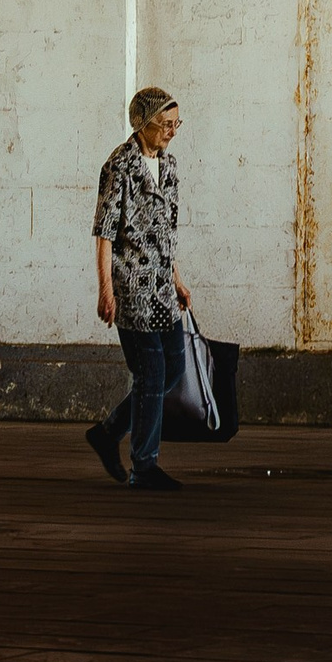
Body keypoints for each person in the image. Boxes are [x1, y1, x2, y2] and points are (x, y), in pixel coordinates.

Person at [87, 85, 193, 489]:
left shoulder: (169, 167)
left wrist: (178, 281)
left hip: (163, 288)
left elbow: (165, 233)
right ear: (142, 123)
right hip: (131, 288)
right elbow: (104, 233)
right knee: (151, 372)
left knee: (173, 369)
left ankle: (108, 432)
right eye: (165, 124)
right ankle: (144, 466)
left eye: (175, 123)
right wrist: (106, 291)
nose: (172, 131)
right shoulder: (119, 166)